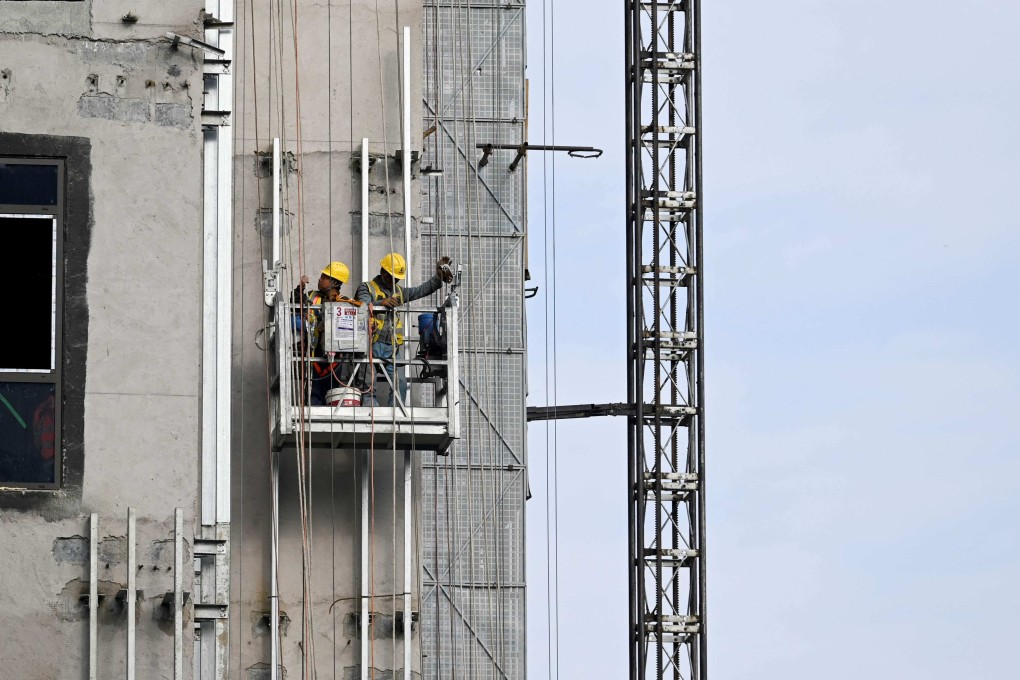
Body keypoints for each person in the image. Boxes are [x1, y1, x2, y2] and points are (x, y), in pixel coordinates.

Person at [355, 253, 454, 405]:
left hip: (391, 347)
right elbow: (362, 306)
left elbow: (420, 290)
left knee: (399, 384)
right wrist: (382, 303)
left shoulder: (399, 292)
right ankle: (370, 415)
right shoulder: (367, 288)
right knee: (368, 385)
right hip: (371, 344)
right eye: (391, 277)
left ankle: (395, 416)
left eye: (397, 278)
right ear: (383, 272)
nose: (394, 281)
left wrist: (438, 277)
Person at [293, 261, 355, 405]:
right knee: (313, 396)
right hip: (314, 355)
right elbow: (296, 305)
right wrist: (300, 288)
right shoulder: (312, 296)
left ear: (334, 282)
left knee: (332, 396)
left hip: (334, 360)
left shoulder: (346, 303)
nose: (320, 279)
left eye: (324, 276)